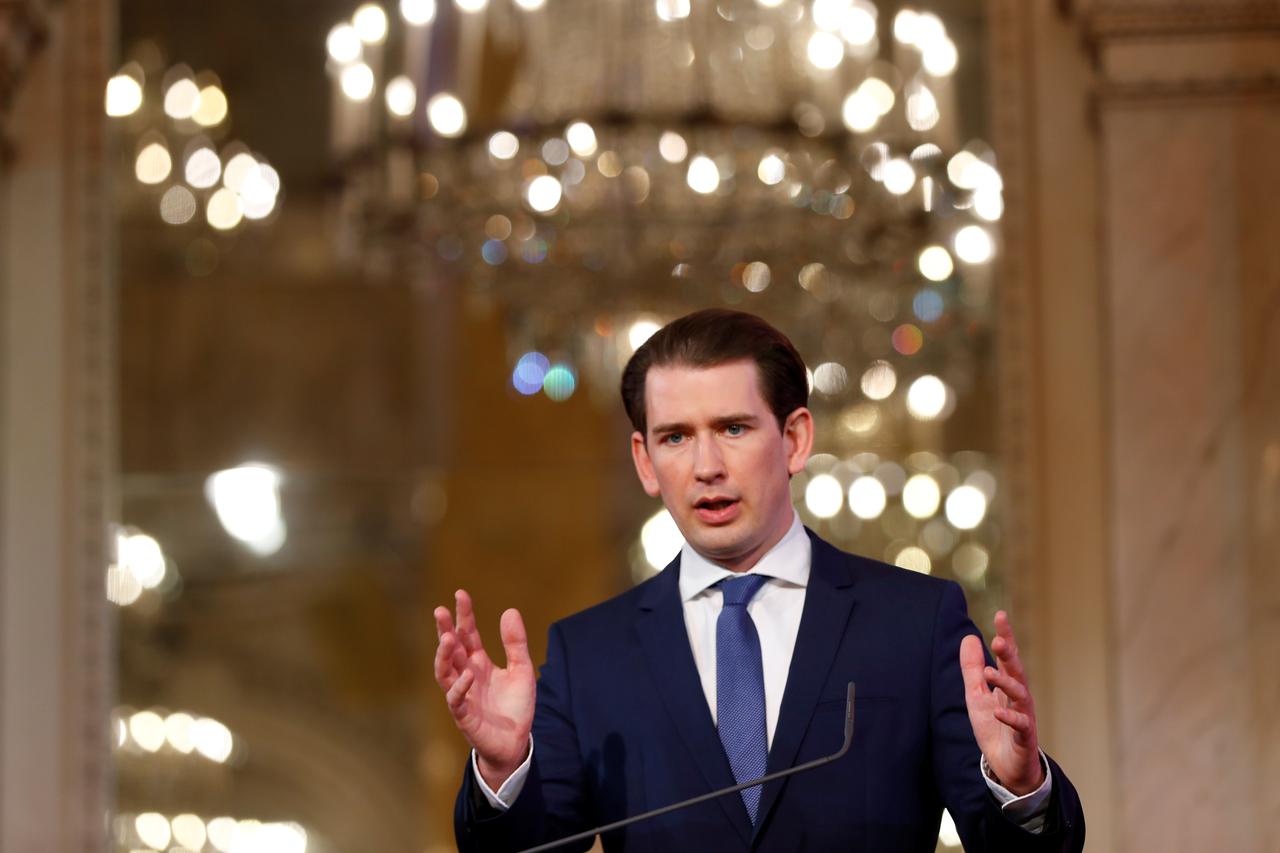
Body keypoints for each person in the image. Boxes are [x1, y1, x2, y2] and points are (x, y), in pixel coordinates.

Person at [434, 309, 1085, 851]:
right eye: (676, 437)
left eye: (734, 428)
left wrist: (1022, 788)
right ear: (645, 460)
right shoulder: (590, 654)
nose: (706, 465)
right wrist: (502, 771)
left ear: (795, 438)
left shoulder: (916, 621)